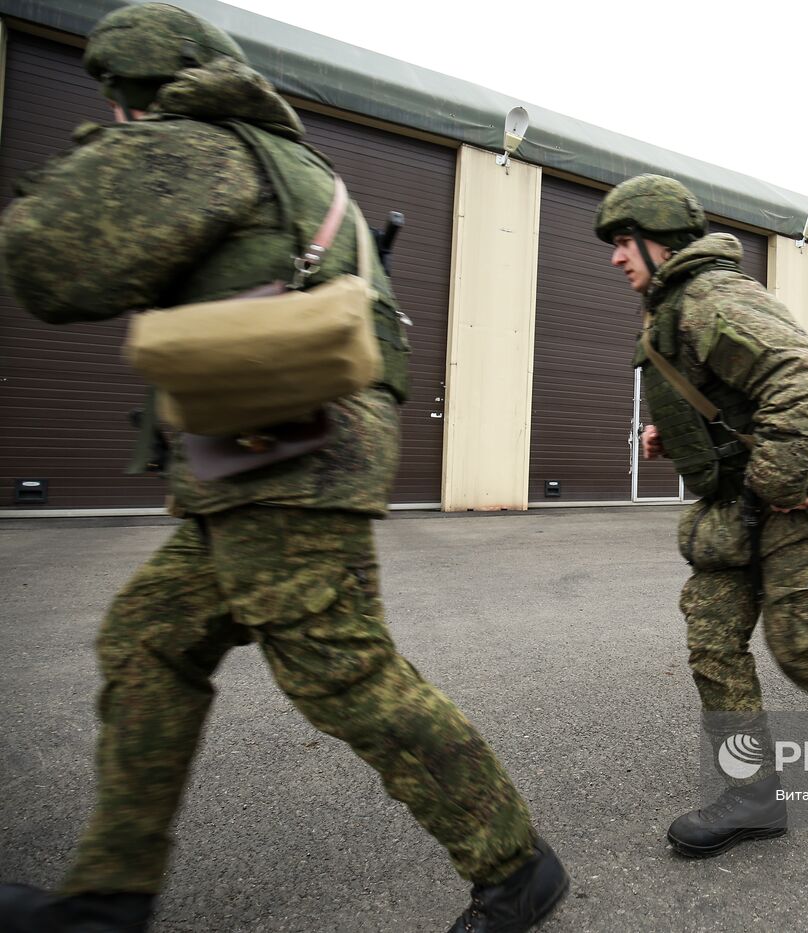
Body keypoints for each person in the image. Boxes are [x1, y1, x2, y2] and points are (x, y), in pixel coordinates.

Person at [0, 7, 566, 932]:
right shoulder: (289, 161)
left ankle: (516, 866)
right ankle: (108, 892)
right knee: (148, 639)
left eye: (116, 101)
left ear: (141, 88)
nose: (114, 117)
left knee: (343, 672)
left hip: (284, 461)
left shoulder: (197, 148)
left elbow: (46, 262)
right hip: (264, 462)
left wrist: (95, 157)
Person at [595, 174, 808, 858]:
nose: (614, 256)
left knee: (807, 653)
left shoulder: (712, 297)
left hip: (785, 504)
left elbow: (794, 375)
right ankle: (752, 795)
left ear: (659, 239)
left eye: (623, 241)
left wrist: (778, 483)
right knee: (713, 643)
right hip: (736, 505)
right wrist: (679, 433)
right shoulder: (674, 303)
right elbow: (729, 394)